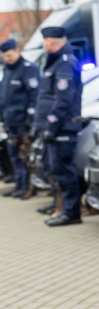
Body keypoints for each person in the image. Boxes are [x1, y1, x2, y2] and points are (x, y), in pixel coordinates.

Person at [34, 26, 84, 227]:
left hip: (62, 128)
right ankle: (60, 206)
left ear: (52, 42)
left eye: (47, 42)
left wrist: (51, 125)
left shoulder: (65, 64)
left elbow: (63, 99)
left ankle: (71, 212)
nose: (45, 45)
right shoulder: (55, 63)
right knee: (53, 169)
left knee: (63, 170)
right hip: (54, 127)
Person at [0, 38, 40, 199]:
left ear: (18, 51)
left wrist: (30, 117)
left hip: (23, 121)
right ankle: (19, 185)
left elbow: (34, 95)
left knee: (25, 157)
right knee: (14, 156)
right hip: (10, 121)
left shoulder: (28, 69)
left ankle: (28, 187)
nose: (7, 59)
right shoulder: (8, 70)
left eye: (10, 55)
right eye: (5, 56)